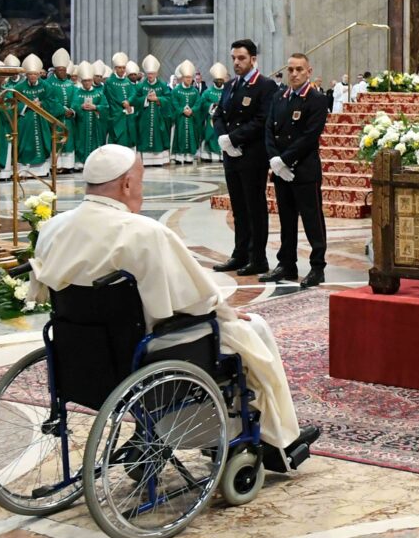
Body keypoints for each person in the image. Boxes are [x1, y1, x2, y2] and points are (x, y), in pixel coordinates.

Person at [28, 145, 320, 463]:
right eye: (139, 181)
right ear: (127, 184)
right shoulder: (143, 232)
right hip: (146, 349)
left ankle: (156, 434)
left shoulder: (54, 227)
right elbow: (198, 300)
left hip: (82, 352)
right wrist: (224, 310)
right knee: (253, 329)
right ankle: (280, 441)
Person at [260, 53, 328, 288]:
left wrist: (285, 160)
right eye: (290, 69)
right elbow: (269, 129)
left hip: (304, 170)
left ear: (309, 72)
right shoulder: (279, 97)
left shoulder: (316, 99)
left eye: (299, 69)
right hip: (281, 171)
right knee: (286, 220)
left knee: (312, 220)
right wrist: (274, 160)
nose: (294, 74)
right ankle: (287, 264)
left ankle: (317, 267)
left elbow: (310, 137)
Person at [211, 38, 277, 277]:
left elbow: (262, 120)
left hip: (252, 155)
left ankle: (258, 258)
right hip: (232, 155)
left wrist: (234, 138)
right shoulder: (229, 86)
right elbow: (219, 115)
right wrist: (222, 139)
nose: (237, 63)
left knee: (254, 208)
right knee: (238, 208)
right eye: (234, 59)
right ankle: (240, 254)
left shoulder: (266, 86)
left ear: (253, 59)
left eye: (241, 58)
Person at [9, 54, 62, 177]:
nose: (32, 76)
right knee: (24, 145)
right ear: (26, 75)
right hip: (25, 120)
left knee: (43, 143)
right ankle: (24, 172)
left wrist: (42, 103)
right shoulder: (19, 87)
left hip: (41, 119)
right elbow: (14, 103)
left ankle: (41, 171)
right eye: (30, 74)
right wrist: (28, 105)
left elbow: (53, 101)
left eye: (35, 74)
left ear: (39, 74)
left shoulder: (46, 86)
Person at [71, 60, 109, 168]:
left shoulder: (98, 93)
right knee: (80, 141)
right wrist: (80, 107)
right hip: (81, 124)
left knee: (95, 142)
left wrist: (96, 107)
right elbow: (73, 106)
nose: (87, 83)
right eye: (84, 81)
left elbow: (106, 107)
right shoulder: (77, 92)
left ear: (92, 80)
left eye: (89, 80)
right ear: (81, 81)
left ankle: (94, 161)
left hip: (95, 124)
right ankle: (80, 163)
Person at [136, 54, 172, 167]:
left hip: (158, 117)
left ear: (156, 73)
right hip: (145, 118)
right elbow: (136, 99)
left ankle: (158, 160)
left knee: (158, 136)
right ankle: (146, 161)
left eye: (152, 73)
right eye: (148, 74)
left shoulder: (162, 85)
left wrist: (157, 99)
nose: (150, 75)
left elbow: (169, 98)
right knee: (145, 136)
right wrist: (146, 98)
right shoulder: (141, 85)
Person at [45, 48, 78, 172]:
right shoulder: (48, 83)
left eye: (64, 70)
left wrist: (72, 110)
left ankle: (67, 165)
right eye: (60, 70)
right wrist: (63, 109)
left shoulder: (70, 83)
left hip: (69, 118)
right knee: (56, 139)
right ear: (55, 70)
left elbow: (76, 98)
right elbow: (50, 99)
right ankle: (56, 166)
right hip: (55, 118)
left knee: (68, 141)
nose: (62, 72)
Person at [169, 60, 204, 163]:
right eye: (186, 77)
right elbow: (174, 103)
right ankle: (179, 157)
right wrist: (182, 110)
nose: (188, 79)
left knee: (191, 136)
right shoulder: (176, 90)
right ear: (182, 78)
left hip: (191, 118)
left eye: (190, 77)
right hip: (180, 118)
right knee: (180, 136)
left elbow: (198, 103)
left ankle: (189, 157)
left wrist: (192, 110)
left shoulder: (195, 91)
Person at [0, 53, 23, 180]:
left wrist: (1, 107)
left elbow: (12, 108)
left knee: (4, 142)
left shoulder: (7, 92)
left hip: (4, 123)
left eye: (1, 77)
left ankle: (4, 173)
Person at [104, 52, 139, 149]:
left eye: (123, 68)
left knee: (129, 137)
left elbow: (133, 93)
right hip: (116, 114)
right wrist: (124, 103)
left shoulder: (127, 81)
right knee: (118, 138)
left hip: (128, 114)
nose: (122, 70)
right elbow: (111, 97)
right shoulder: (110, 81)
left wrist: (129, 101)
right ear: (115, 68)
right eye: (119, 68)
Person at [199, 62, 228, 162]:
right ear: (213, 80)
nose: (219, 81)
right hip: (211, 119)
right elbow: (202, 104)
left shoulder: (227, 91)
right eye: (217, 80)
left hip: (224, 119)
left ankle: (222, 156)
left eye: (221, 80)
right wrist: (212, 105)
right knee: (212, 136)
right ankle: (208, 156)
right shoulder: (207, 92)